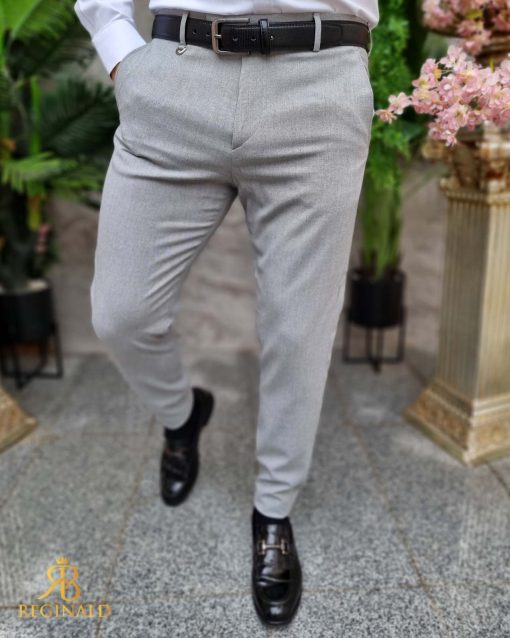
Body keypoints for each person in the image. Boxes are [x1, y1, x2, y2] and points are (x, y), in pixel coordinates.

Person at [74, 0, 378, 627]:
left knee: (298, 331)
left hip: (319, 82)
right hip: (175, 78)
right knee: (122, 313)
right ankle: (182, 415)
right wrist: (119, 48)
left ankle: (273, 511)